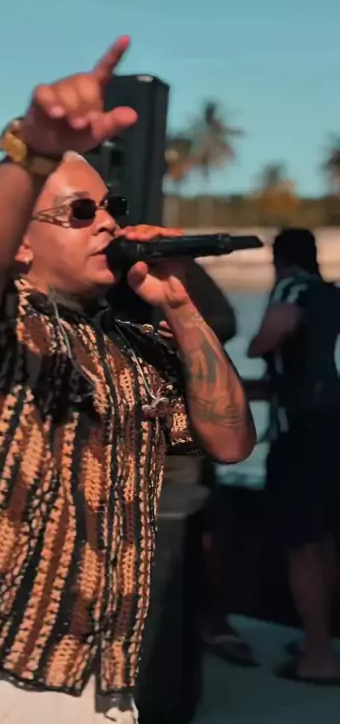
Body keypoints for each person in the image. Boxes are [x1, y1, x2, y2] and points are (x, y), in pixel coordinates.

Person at [0, 36, 255, 724]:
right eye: (79, 212)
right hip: (4, 690)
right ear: (22, 246)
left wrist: (180, 307)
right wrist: (33, 153)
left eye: (112, 208)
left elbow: (230, 440)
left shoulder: (129, 346)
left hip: (108, 689)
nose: (106, 224)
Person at [249, 227, 340, 684]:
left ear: (279, 258)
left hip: (300, 436)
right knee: (322, 539)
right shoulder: (330, 294)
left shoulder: (292, 288)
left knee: (301, 545)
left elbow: (273, 333)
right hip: (331, 429)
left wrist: (255, 346)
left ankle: (318, 657)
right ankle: (317, 641)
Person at [160, 265, 258, 667]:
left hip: (178, 435)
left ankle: (212, 622)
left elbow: (224, 323)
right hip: (110, 436)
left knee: (204, 526)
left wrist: (179, 270)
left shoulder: (162, 275)